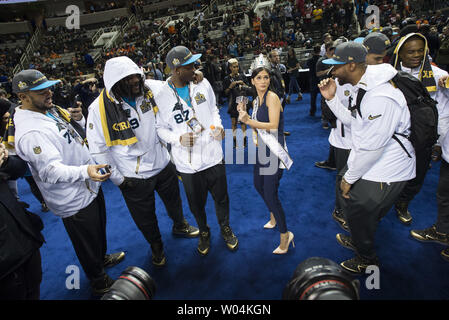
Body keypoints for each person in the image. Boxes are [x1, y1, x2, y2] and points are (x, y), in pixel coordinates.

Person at [10, 69, 125, 295]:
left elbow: (74, 133)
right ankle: (98, 279)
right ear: (23, 97)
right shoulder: (31, 131)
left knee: (98, 230)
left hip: (88, 183)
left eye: (48, 87)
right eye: (40, 91)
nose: (48, 93)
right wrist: (86, 171)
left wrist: (78, 118)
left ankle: (101, 258)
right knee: (86, 241)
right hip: (72, 195)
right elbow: (50, 171)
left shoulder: (48, 111)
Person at [86, 56, 199, 267]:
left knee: (174, 201)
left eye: (137, 77)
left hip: (163, 164)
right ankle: (156, 246)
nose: (136, 82)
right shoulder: (97, 110)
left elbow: (173, 82)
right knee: (145, 217)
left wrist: (195, 77)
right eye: (129, 80)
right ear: (114, 83)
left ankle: (180, 225)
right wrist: (119, 180)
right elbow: (98, 150)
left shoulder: (148, 89)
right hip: (133, 176)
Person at [319, 42, 416, 272]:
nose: (332, 72)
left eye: (337, 66)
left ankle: (366, 259)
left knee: (361, 211)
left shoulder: (380, 95)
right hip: (373, 159)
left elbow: (373, 147)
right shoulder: (363, 85)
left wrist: (349, 177)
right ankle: (359, 237)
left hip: (388, 167)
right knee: (356, 209)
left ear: (351, 65)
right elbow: (355, 123)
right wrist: (331, 99)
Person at [155, 46, 238, 256]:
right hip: (188, 164)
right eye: (190, 65)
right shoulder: (161, 95)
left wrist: (217, 126)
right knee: (196, 205)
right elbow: (160, 129)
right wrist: (178, 139)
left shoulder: (202, 82)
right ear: (176, 70)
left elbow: (213, 110)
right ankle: (204, 232)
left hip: (212, 154)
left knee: (222, 198)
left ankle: (225, 227)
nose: (195, 68)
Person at [390, 32, 449, 225]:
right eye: (411, 52)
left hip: (424, 137)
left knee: (417, 176)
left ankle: (403, 203)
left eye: (420, 51)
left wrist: (438, 142)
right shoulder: (389, 76)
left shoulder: (440, 77)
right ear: (400, 54)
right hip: (395, 138)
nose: (416, 55)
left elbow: (443, 111)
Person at [238, 54, 294, 254]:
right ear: (252, 80)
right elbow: (256, 127)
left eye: (266, 77)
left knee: (271, 194)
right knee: (257, 185)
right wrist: (245, 116)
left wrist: (248, 121)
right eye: (259, 77)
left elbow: (273, 125)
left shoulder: (272, 97)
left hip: (273, 152)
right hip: (261, 150)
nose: (263, 81)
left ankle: (285, 235)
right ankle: (272, 216)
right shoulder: (255, 100)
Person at [0, 143, 45, 300]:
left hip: (22, 234)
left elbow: (18, 169)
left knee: (34, 287)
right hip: (5, 262)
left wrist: (6, 160)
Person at [223, 58, 251, 148]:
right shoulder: (227, 79)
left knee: (243, 122)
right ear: (230, 68)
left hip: (243, 102)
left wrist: (243, 84)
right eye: (234, 67)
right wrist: (231, 86)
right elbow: (225, 93)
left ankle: (244, 142)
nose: (236, 68)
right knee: (234, 122)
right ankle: (235, 143)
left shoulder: (242, 76)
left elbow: (249, 88)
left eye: (237, 66)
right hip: (232, 103)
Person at [268, 49, 290, 136]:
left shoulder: (278, 67)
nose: (277, 58)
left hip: (281, 94)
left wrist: (283, 91)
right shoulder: (268, 69)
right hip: (274, 96)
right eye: (275, 56)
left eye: (278, 56)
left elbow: (280, 80)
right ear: (270, 59)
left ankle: (280, 131)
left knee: (280, 114)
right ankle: (274, 132)